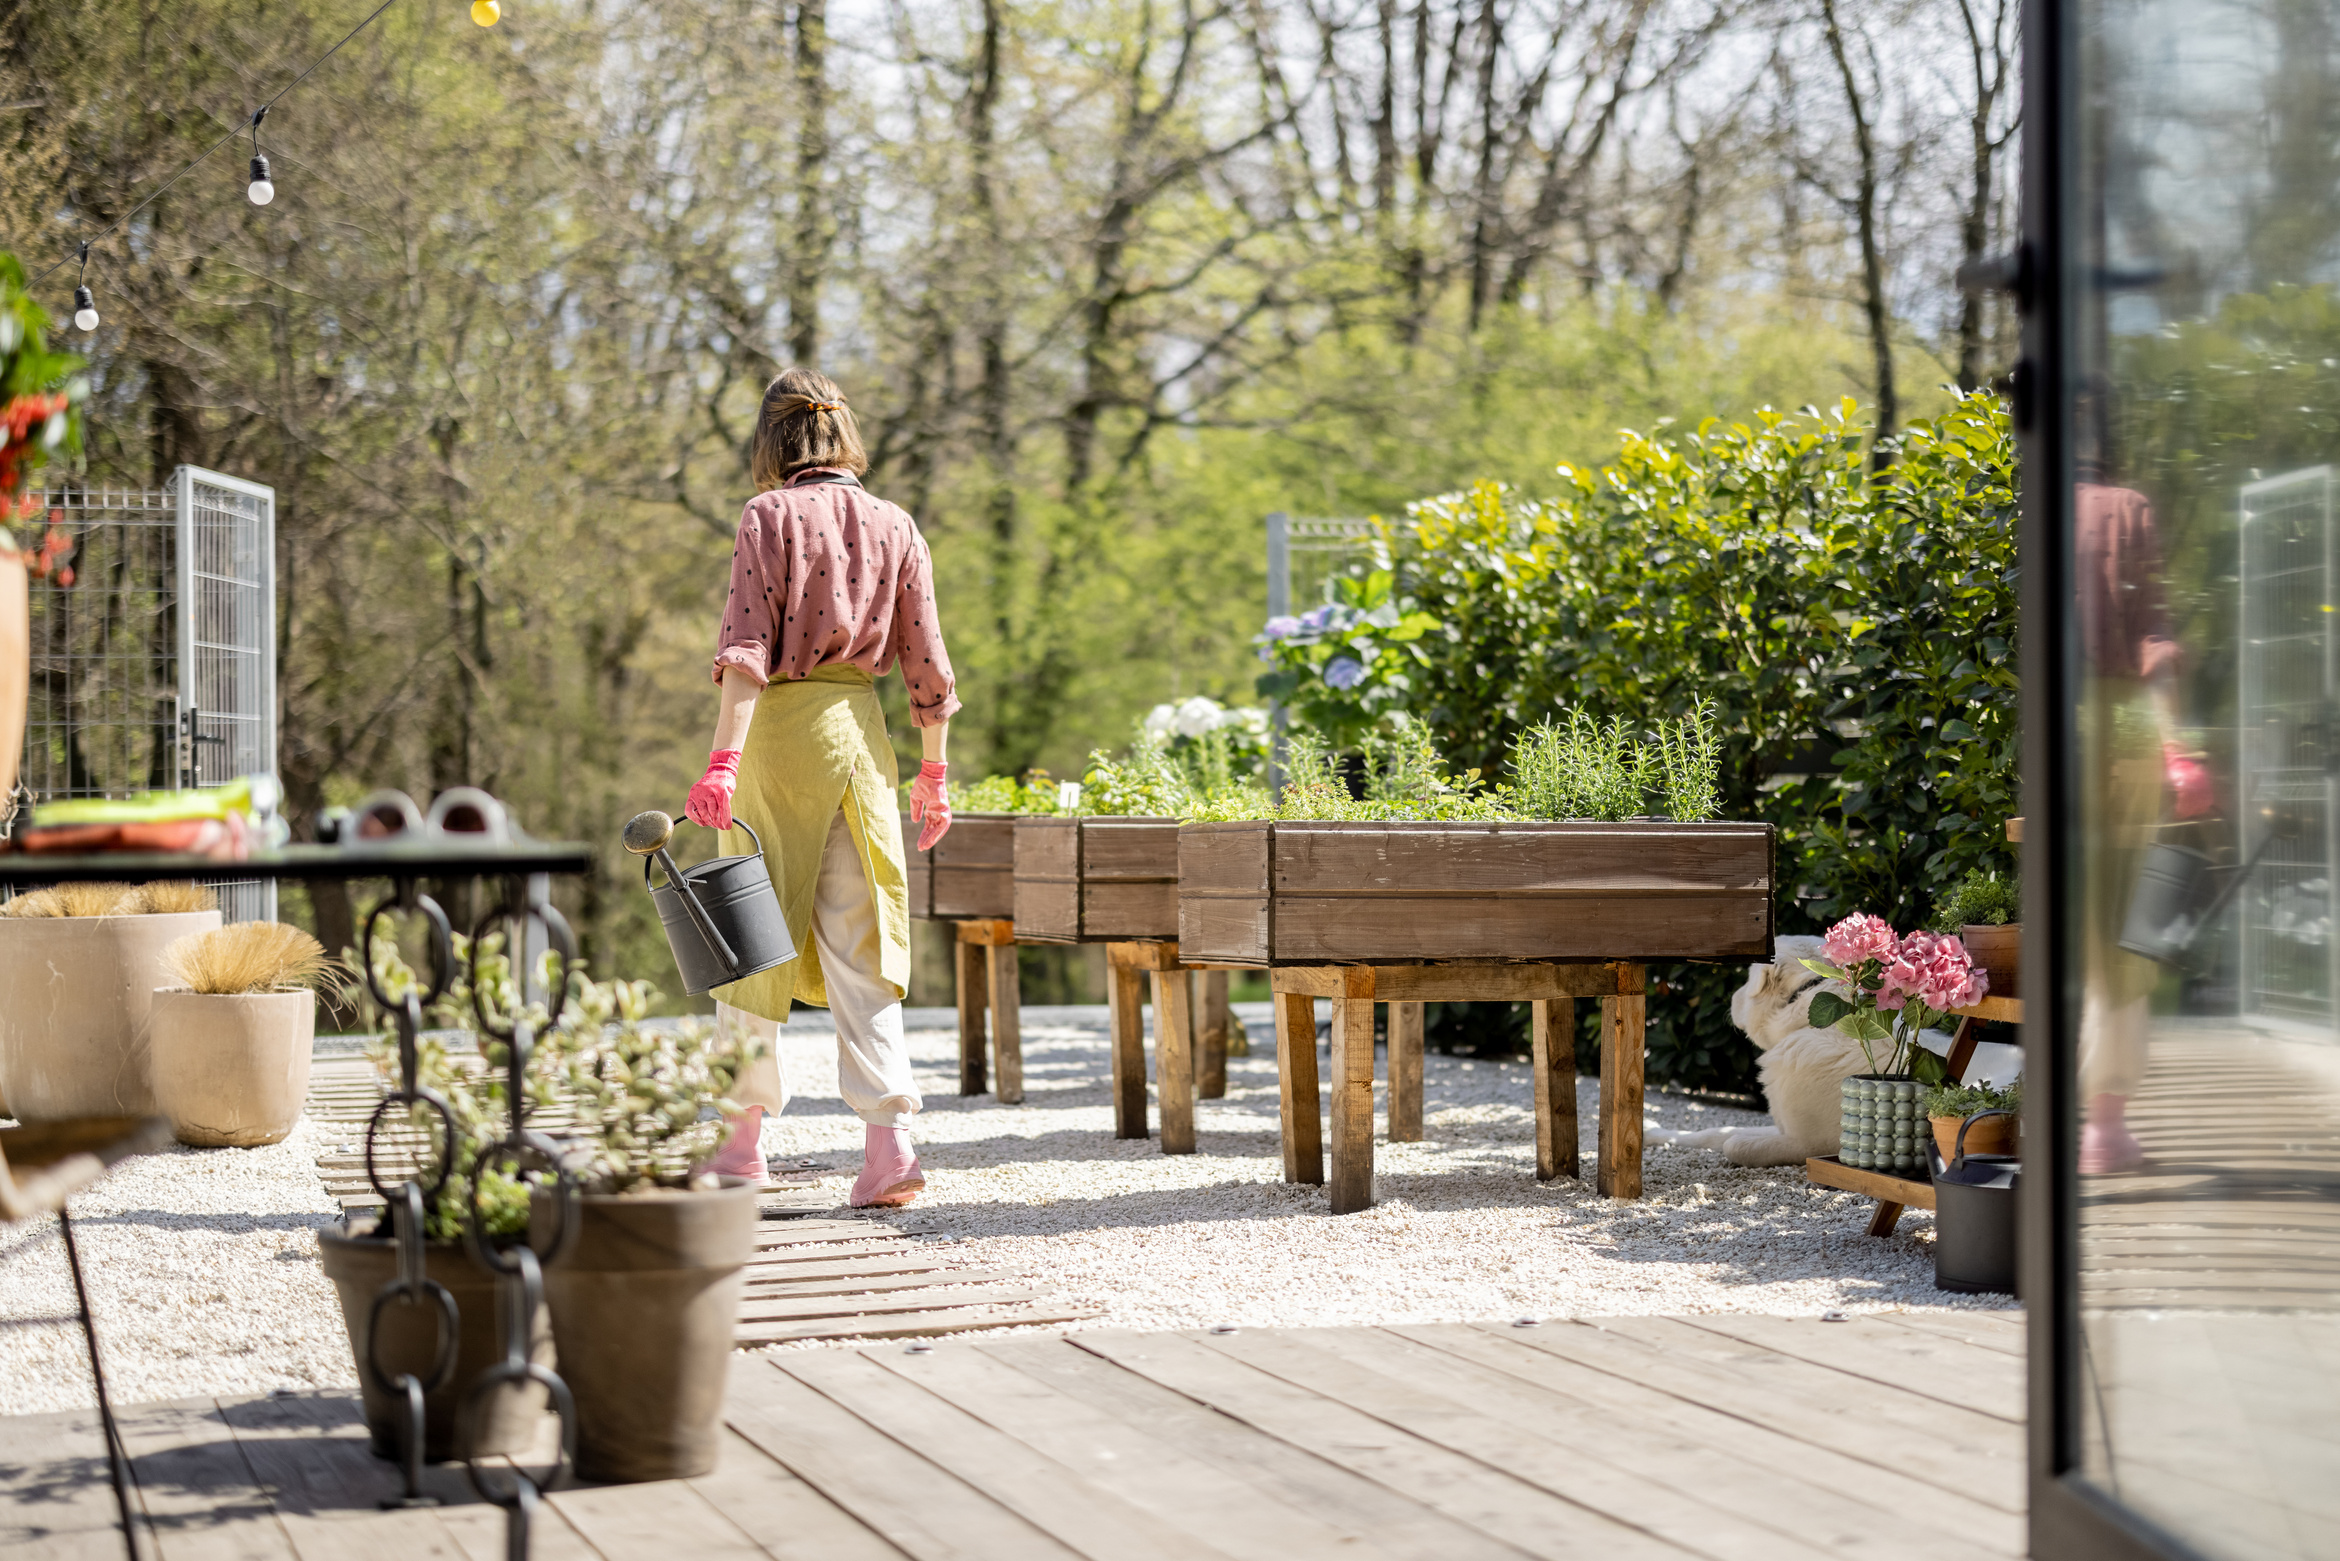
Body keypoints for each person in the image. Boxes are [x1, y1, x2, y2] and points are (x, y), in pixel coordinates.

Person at [683, 368, 958, 1207]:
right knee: (863, 940)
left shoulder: (766, 517)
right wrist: (935, 773)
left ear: (771, 440)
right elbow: (928, 664)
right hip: (861, 743)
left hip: (774, 745)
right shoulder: (896, 524)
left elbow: (744, 653)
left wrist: (722, 763)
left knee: (749, 942)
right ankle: (888, 1147)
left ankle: (739, 1145)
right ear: (843, 435)